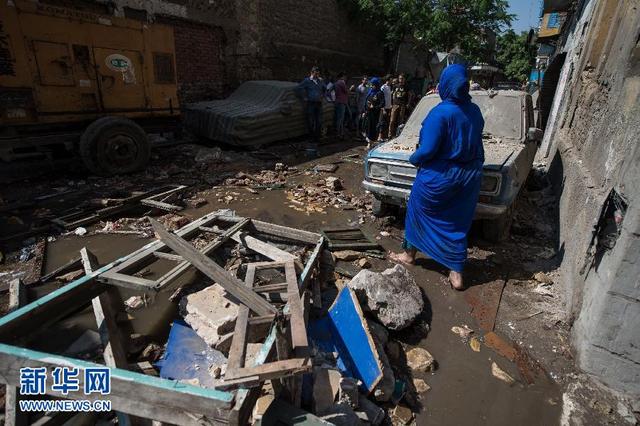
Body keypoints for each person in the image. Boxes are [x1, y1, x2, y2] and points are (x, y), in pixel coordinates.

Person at [389, 64, 485, 291]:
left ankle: (409, 255)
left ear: (445, 85)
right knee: (457, 224)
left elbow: (428, 150)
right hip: (469, 177)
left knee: (417, 211)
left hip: (440, 176)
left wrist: (414, 158)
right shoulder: (475, 111)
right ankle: (456, 273)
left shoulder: (441, 113)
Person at [296, 66, 326, 147]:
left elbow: (325, 89)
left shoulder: (320, 81)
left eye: (318, 73)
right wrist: (304, 97)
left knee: (319, 121)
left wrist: (323, 95)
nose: (317, 75)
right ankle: (311, 138)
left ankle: (317, 138)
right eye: (316, 73)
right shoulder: (307, 81)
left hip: (319, 103)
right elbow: (298, 88)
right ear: (312, 72)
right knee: (311, 121)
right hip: (311, 103)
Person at [388, 74, 411, 138]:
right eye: (400, 78)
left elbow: (409, 95)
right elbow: (392, 94)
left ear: (404, 79)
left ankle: (398, 134)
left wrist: (408, 103)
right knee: (392, 120)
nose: (401, 80)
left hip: (402, 104)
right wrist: (391, 103)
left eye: (402, 78)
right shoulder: (395, 86)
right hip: (395, 104)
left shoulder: (407, 87)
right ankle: (390, 134)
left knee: (400, 120)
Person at [365, 77, 384, 144]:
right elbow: (367, 101)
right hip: (368, 113)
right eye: (371, 85)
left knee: (373, 127)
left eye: (373, 85)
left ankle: (371, 142)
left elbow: (382, 104)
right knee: (367, 126)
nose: (371, 86)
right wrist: (365, 109)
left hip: (375, 113)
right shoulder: (370, 92)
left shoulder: (379, 93)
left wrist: (374, 107)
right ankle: (369, 141)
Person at [334, 72, 348, 139]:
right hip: (342, 102)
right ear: (342, 76)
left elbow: (328, 91)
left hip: (337, 101)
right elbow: (346, 91)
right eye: (344, 77)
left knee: (338, 118)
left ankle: (340, 133)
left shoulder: (336, 83)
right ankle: (339, 133)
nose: (345, 78)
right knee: (341, 119)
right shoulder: (342, 82)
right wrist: (351, 88)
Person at [379, 75, 393, 141]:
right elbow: (381, 98)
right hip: (384, 107)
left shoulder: (390, 87)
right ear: (388, 80)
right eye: (391, 79)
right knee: (382, 122)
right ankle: (380, 136)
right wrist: (383, 108)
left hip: (389, 107)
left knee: (387, 122)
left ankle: (384, 136)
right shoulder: (383, 87)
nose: (392, 81)